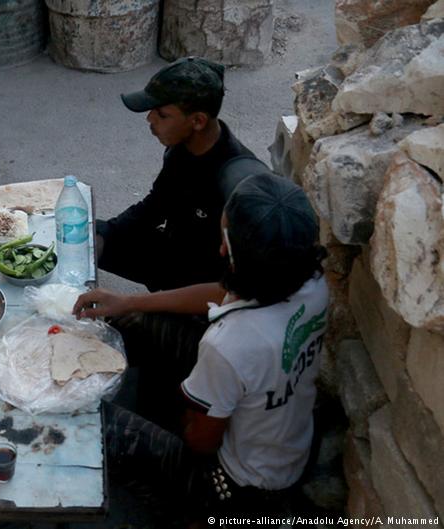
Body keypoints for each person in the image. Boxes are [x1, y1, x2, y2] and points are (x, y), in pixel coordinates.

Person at [85, 173, 328, 524]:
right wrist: (127, 302)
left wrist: (186, 401)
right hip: (286, 447)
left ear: (229, 249)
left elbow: (200, 442)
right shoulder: (311, 282)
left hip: (235, 487)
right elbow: (222, 293)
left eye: (223, 236)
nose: (218, 247)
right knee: (135, 324)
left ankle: (174, 513)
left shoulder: (229, 342)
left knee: (98, 423)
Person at [79, 57, 259, 428]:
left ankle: (162, 395)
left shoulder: (237, 185)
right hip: (175, 261)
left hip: (204, 308)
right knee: (77, 237)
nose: (149, 121)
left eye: (161, 114)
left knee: (116, 319)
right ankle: (152, 355)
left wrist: (135, 303)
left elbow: (230, 293)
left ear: (197, 121)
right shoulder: (183, 150)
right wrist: (104, 235)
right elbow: (153, 206)